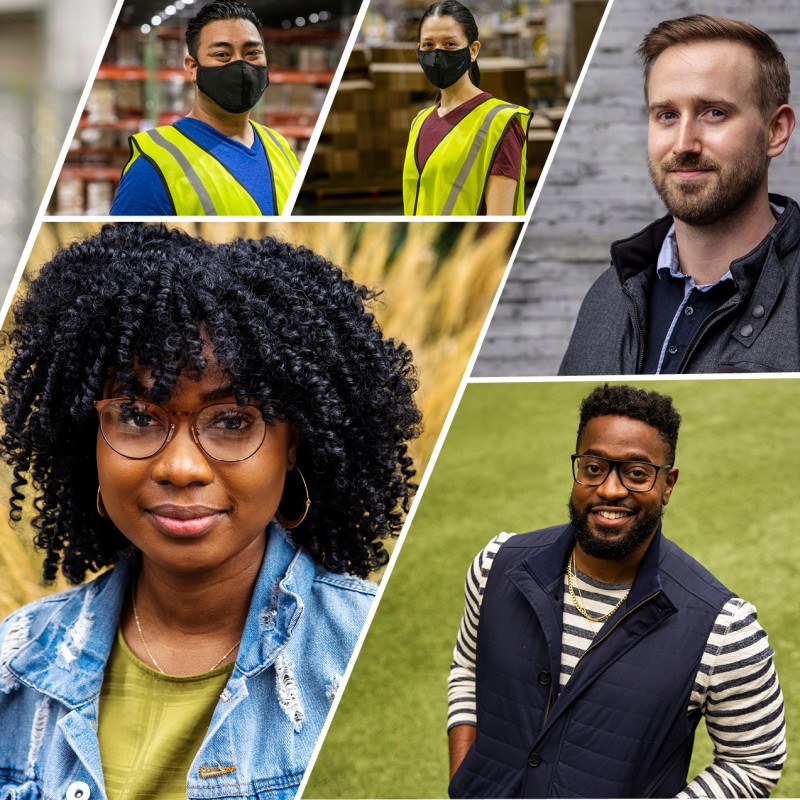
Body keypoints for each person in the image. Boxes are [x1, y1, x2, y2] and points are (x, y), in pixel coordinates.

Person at [0, 224, 420, 800]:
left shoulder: (364, 651)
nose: (181, 467)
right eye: (137, 415)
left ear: (293, 441)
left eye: (231, 421)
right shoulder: (16, 661)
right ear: (88, 438)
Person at [447, 384, 786, 798]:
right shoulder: (495, 565)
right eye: (594, 468)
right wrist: (465, 779)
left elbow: (752, 764)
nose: (610, 490)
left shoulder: (726, 629)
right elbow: (468, 669)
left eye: (636, 473)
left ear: (668, 484)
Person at [559, 14, 800, 374]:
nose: (683, 144)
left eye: (714, 113)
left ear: (775, 131)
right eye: (667, 115)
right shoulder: (609, 295)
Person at [110, 0, 299, 216]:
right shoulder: (153, 166)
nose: (241, 66)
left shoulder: (279, 146)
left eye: (252, 53)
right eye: (222, 55)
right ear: (193, 67)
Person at [402, 0, 532, 216]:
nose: (437, 54)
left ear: (473, 50)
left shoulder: (499, 124)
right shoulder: (420, 121)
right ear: (418, 50)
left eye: (450, 44)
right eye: (428, 45)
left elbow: (499, 226)